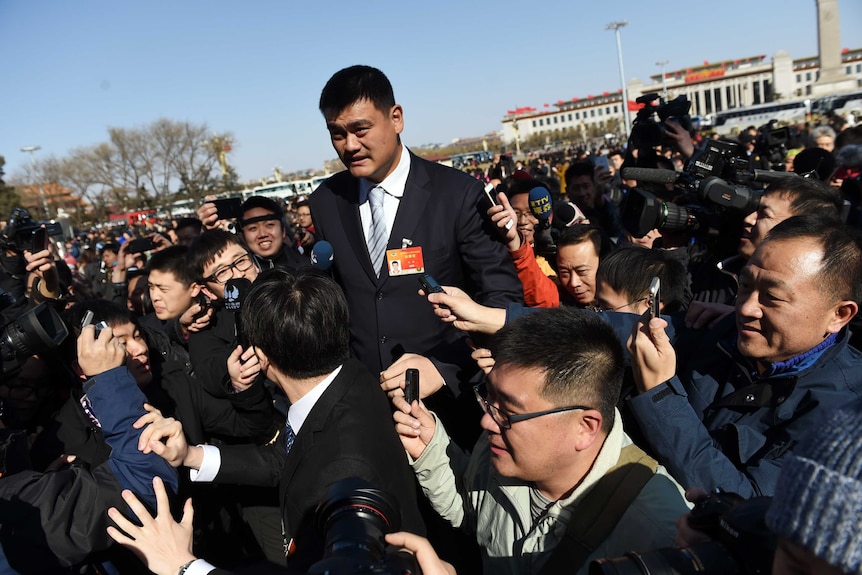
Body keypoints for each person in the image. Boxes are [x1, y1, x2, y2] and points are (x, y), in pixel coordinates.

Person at [135, 268, 425, 572]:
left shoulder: (344, 469)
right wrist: (191, 455)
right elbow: (287, 457)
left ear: (260, 355)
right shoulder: (351, 377)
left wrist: (185, 566)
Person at [309, 65, 522, 442]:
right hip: (367, 416)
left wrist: (443, 368)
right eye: (336, 134)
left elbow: (502, 300)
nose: (349, 145)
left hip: (453, 413)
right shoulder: (325, 201)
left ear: (396, 118)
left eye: (360, 129)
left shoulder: (458, 194)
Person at [392, 307, 688, 575]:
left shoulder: (662, 535)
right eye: (488, 398)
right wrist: (431, 449)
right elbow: (474, 508)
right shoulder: (504, 445)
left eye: (508, 411)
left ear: (585, 427)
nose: (487, 421)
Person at [627, 215, 862, 498]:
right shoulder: (725, 330)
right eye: (746, 285)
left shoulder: (845, 418)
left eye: (772, 297)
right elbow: (626, 330)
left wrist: (660, 395)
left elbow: (744, 504)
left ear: (839, 315)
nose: (746, 308)